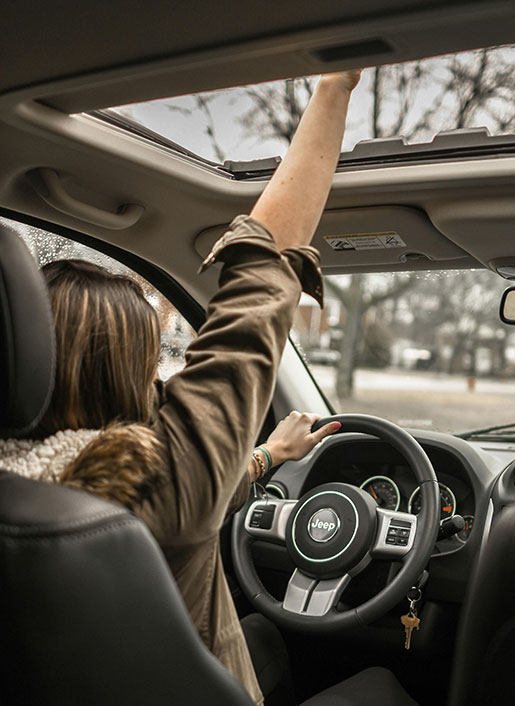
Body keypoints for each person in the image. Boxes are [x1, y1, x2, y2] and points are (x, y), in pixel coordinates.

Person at [0, 70, 403, 706]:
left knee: (267, 638)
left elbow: (205, 476)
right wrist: (336, 88)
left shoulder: (23, 496)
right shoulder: (152, 483)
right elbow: (267, 264)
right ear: (133, 376)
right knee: (383, 686)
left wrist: (269, 458)